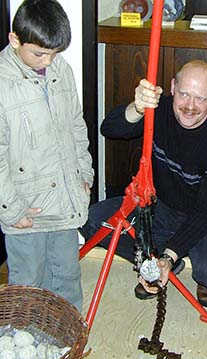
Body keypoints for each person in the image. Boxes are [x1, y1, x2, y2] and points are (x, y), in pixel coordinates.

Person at [81, 60, 207, 307]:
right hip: (160, 207)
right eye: (184, 94)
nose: (190, 106)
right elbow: (110, 129)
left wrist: (169, 254)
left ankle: (168, 257)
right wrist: (137, 107)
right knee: (92, 219)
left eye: (200, 98)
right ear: (172, 87)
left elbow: (206, 213)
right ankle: (154, 259)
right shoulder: (159, 110)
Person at [0, 0, 94, 312]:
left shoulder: (59, 68)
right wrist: (12, 210)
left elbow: (76, 125)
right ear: (15, 40)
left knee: (67, 276)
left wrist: (84, 176)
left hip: (65, 201)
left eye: (53, 53)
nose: (47, 61)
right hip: (26, 210)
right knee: (28, 283)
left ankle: (67, 341)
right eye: (39, 53)